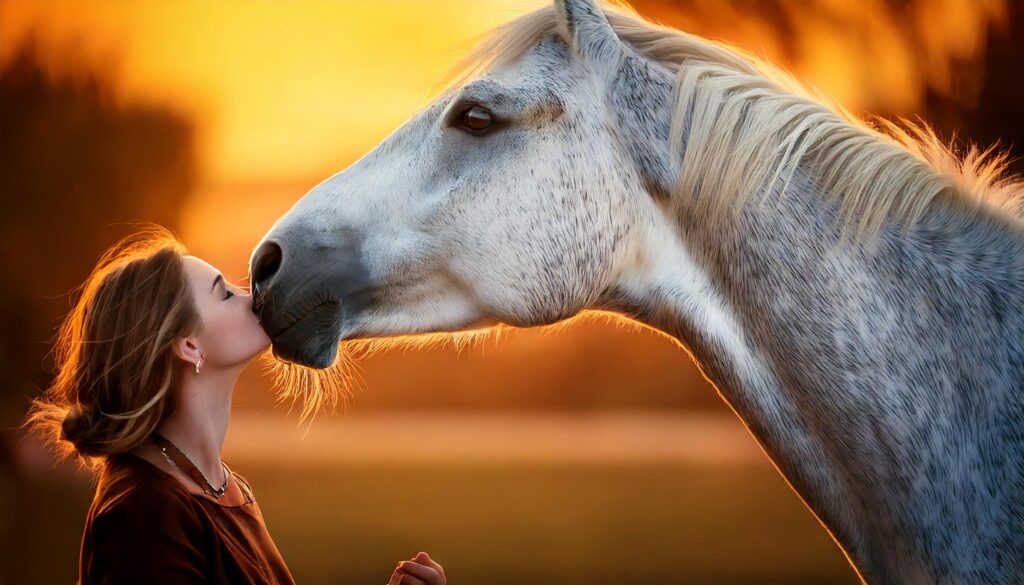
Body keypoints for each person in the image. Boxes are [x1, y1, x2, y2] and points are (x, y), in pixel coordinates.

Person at [25, 225, 446, 585]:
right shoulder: (143, 516)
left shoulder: (224, 487)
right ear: (188, 346)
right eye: (225, 294)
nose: (252, 296)